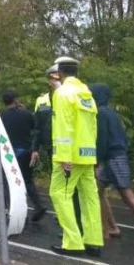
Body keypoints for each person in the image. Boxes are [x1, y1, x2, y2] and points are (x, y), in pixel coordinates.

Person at [49, 57, 102, 256]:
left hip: (69, 155)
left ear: (59, 73)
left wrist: (64, 157)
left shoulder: (62, 93)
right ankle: (93, 241)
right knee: (90, 198)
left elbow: (64, 125)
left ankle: (72, 242)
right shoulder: (86, 93)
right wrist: (93, 154)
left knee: (59, 194)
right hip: (87, 154)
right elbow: (92, 126)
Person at [31, 65, 83, 231]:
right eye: (52, 78)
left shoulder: (73, 95)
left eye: (57, 77)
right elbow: (37, 127)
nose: (54, 80)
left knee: (69, 187)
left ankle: (73, 223)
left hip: (70, 149)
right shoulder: (42, 100)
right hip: (52, 147)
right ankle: (66, 219)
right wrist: (35, 148)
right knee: (60, 187)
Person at [91, 83, 134, 248]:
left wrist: (96, 160)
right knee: (97, 190)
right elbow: (123, 136)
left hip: (113, 157)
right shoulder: (112, 113)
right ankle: (109, 228)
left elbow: (102, 140)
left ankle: (109, 228)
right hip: (116, 156)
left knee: (128, 196)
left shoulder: (101, 114)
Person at [0, 90, 46, 220]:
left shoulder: (1, 116)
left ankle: (17, 209)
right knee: (27, 180)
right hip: (26, 151)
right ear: (16, 100)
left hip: (8, 153)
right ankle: (38, 205)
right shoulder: (26, 114)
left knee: (11, 181)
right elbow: (35, 128)